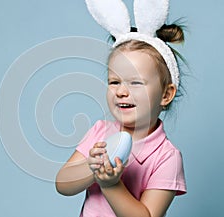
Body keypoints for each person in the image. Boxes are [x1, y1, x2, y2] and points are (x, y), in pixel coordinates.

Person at [55, 1, 187, 216]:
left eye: (135, 83)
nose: (121, 91)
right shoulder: (100, 132)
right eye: (114, 82)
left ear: (166, 94)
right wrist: (92, 167)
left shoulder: (167, 157)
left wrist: (111, 185)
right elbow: (63, 184)